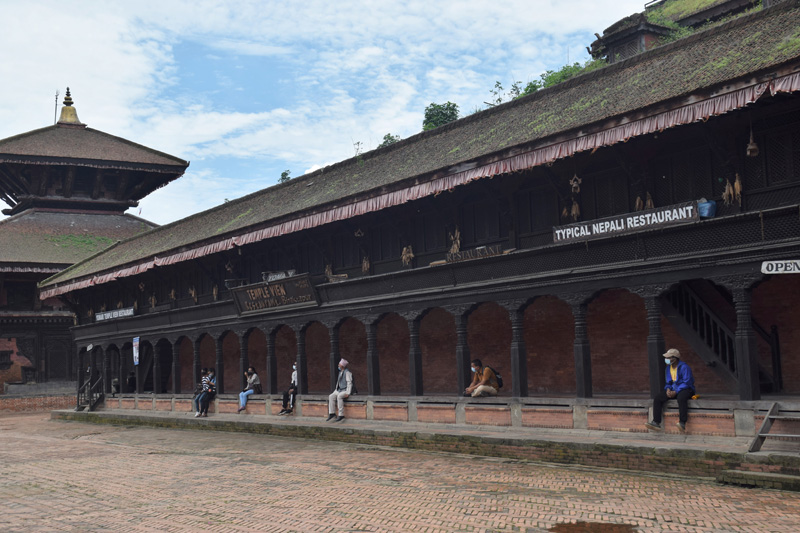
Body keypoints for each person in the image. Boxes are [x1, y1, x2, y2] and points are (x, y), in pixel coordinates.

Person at [645, 348, 696, 432]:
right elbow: (668, 382)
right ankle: (656, 422)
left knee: (681, 398)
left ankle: (682, 422)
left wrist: (675, 391)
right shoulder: (668, 368)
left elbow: (687, 382)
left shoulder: (684, 367)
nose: (667, 359)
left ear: (674, 358)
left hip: (686, 389)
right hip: (673, 389)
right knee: (658, 398)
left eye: (668, 358)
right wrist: (668, 390)